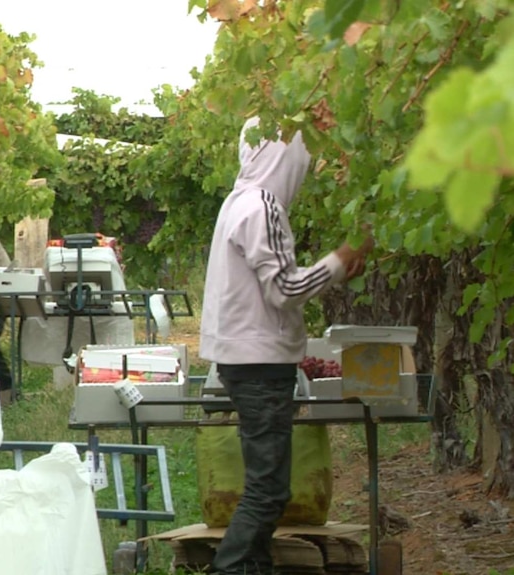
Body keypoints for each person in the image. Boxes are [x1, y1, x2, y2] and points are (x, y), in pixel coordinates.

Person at [198, 116, 372, 575]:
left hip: (241, 360)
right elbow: (285, 290)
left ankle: (251, 567)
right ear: (286, 154)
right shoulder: (264, 206)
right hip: (260, 364)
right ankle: (230, 568)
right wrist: (340, 259)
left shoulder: (238, 202)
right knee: (268, 489)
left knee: (265, 484)